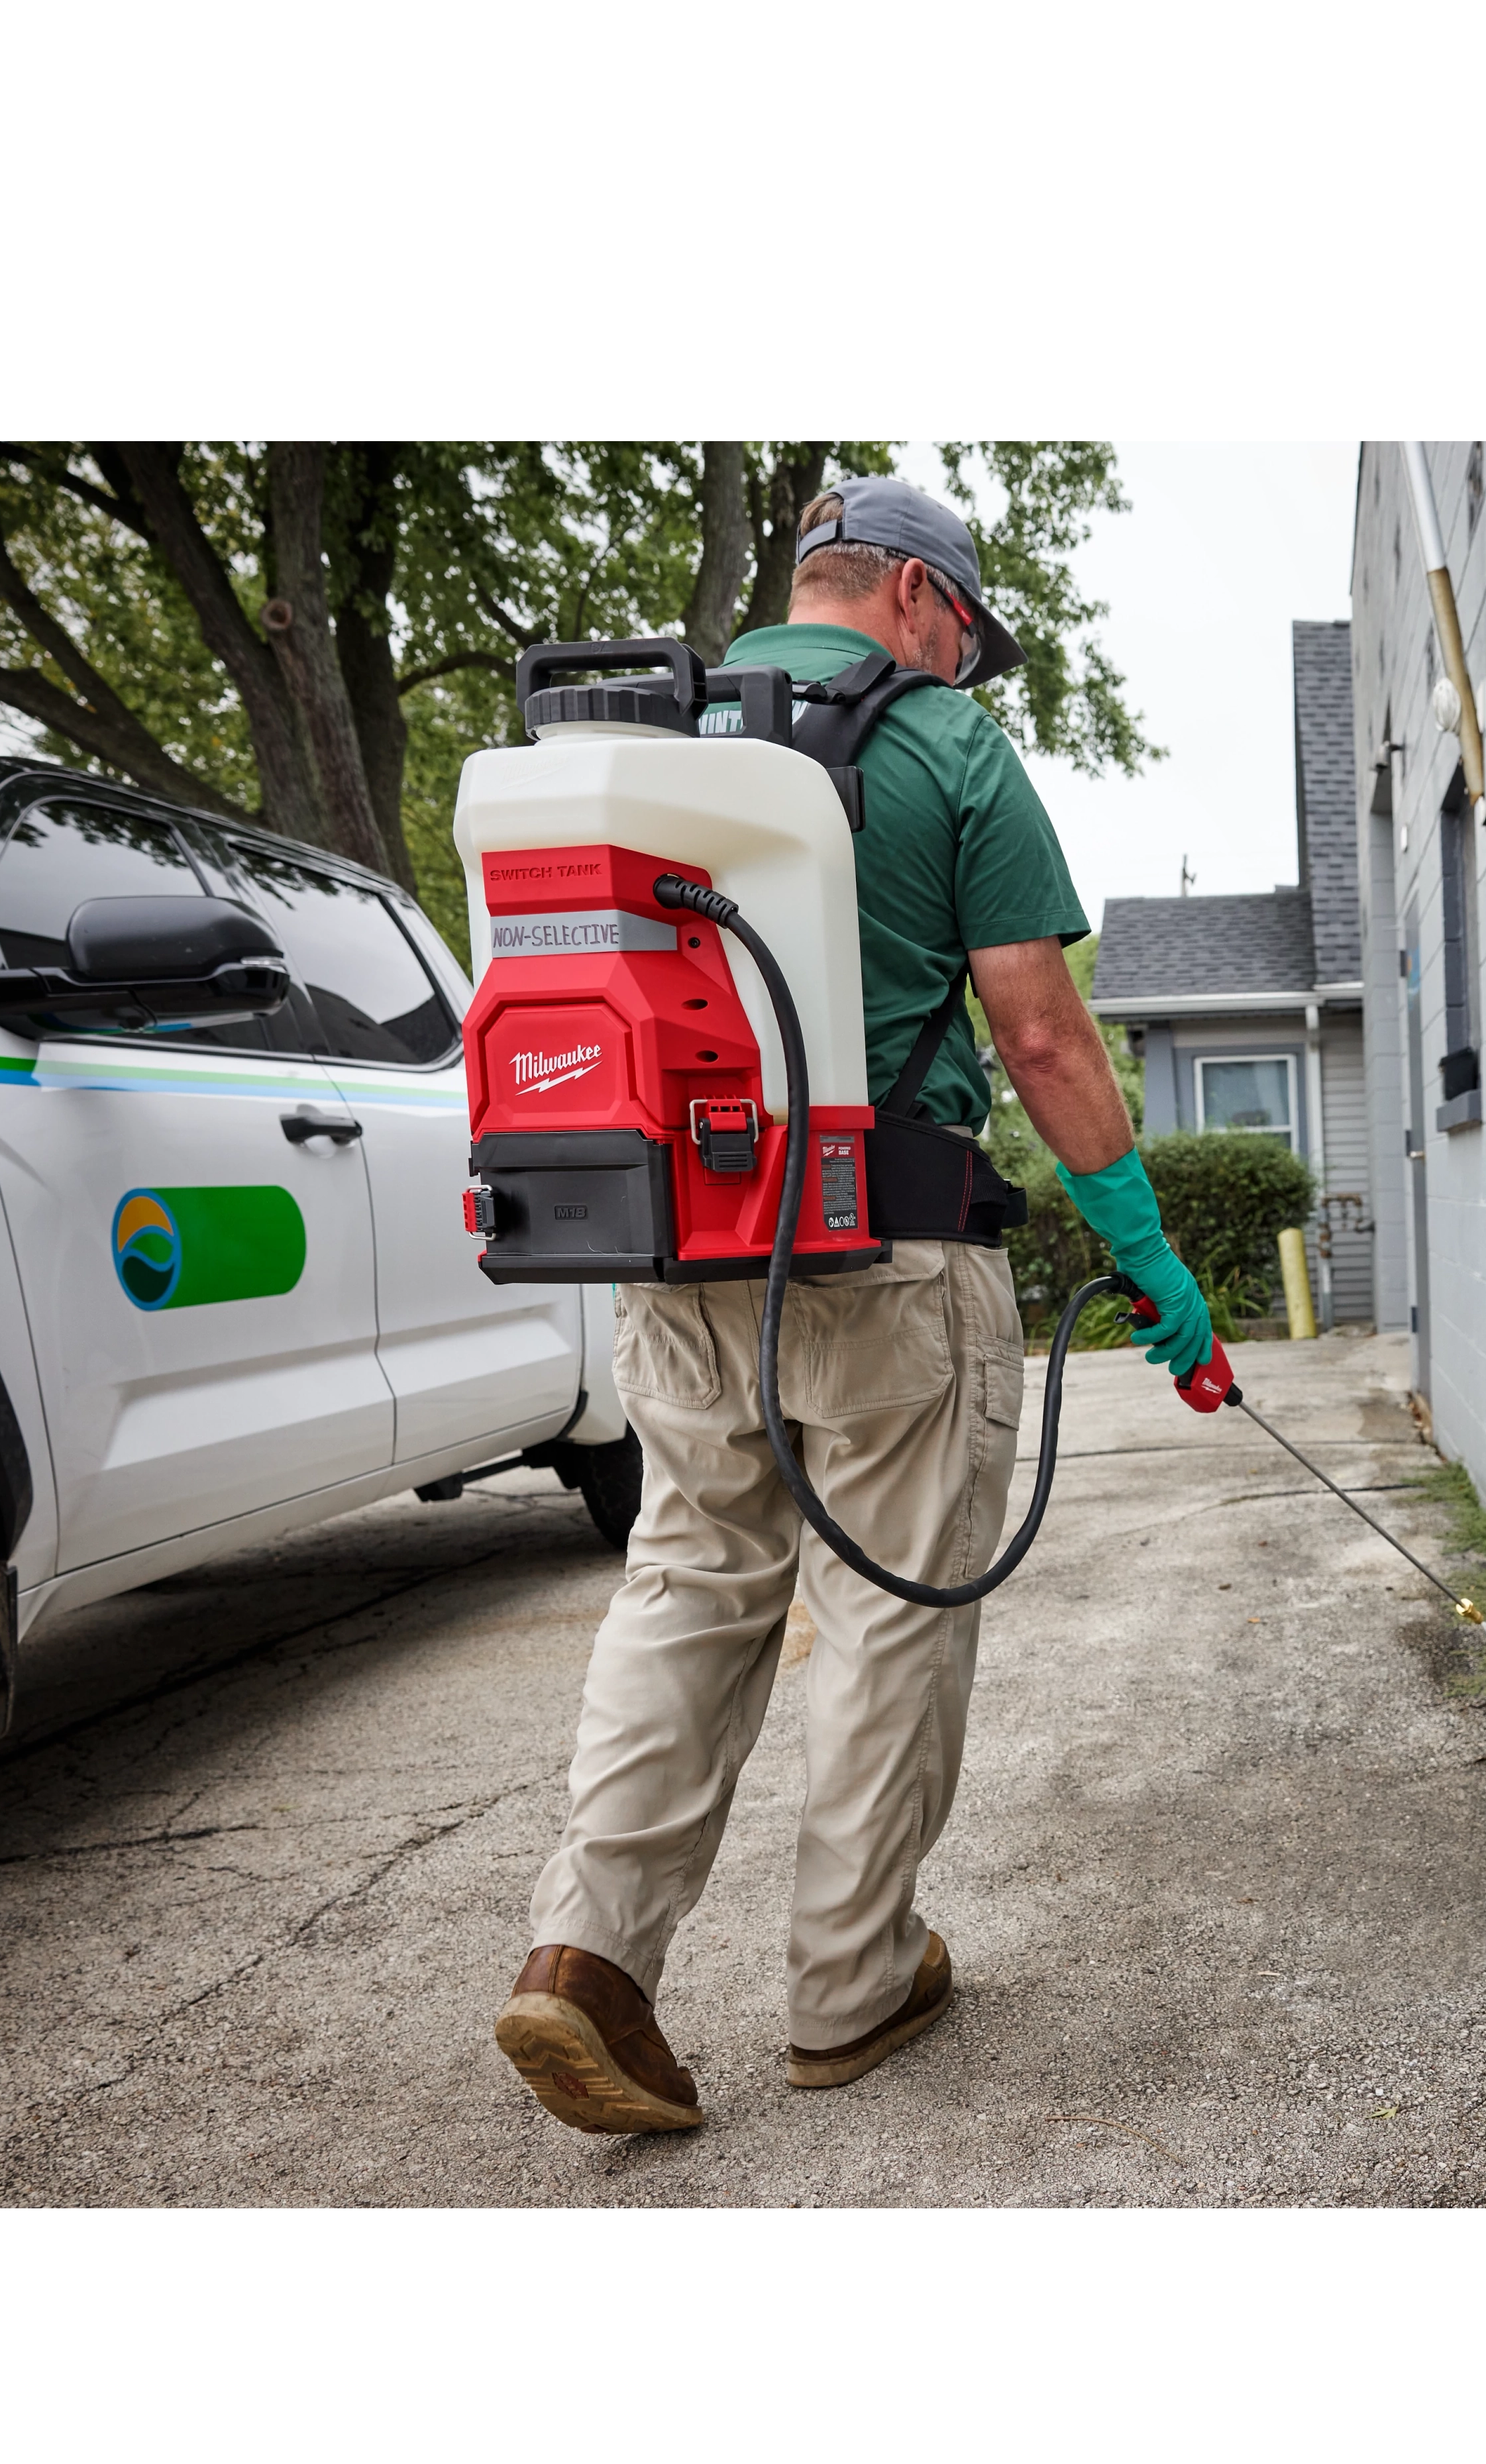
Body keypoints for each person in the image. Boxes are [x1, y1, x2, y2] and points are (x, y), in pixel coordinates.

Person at [494, 476, 1212, 2131]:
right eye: (963, 629)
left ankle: (582, 1964)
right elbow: (1039, 1035)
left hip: (682, 1251)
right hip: (891, 1255)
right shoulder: (946, 744)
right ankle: (849, 1982)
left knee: (689, 1583)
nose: (968, 661)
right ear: (906, 593)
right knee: (891, 1610)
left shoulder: (638, 745)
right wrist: (1145, 1250)